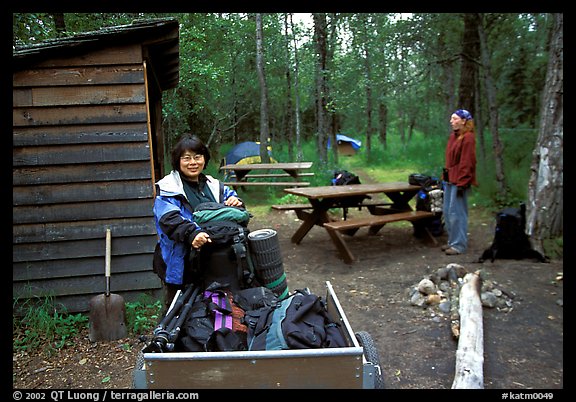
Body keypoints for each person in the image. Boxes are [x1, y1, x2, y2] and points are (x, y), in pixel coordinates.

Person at [152, 134, 244, 309]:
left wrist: (236, 203)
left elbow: (234, 202)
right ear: (177, 161)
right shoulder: (168, 188)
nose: (192, 162)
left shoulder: (214, 185)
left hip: (213, 261)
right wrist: (192, 233)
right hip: (182, 262)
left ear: (204, 159)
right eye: (186, 158)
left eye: (197, 157)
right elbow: (168, 218)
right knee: (178, 310)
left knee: (213, 309)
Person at [441, 109, 477, 255]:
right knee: (448, 212)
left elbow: (467, 162)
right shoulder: (453, 137)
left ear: (464, 121)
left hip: (460, 181)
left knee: (457, 213)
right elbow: (450, 161)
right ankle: (452, 241)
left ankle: (459, 245)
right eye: (451, 118)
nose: (451, 121)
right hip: (449, 179)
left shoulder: (468, 138)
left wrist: (463, 182)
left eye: (455, 119)